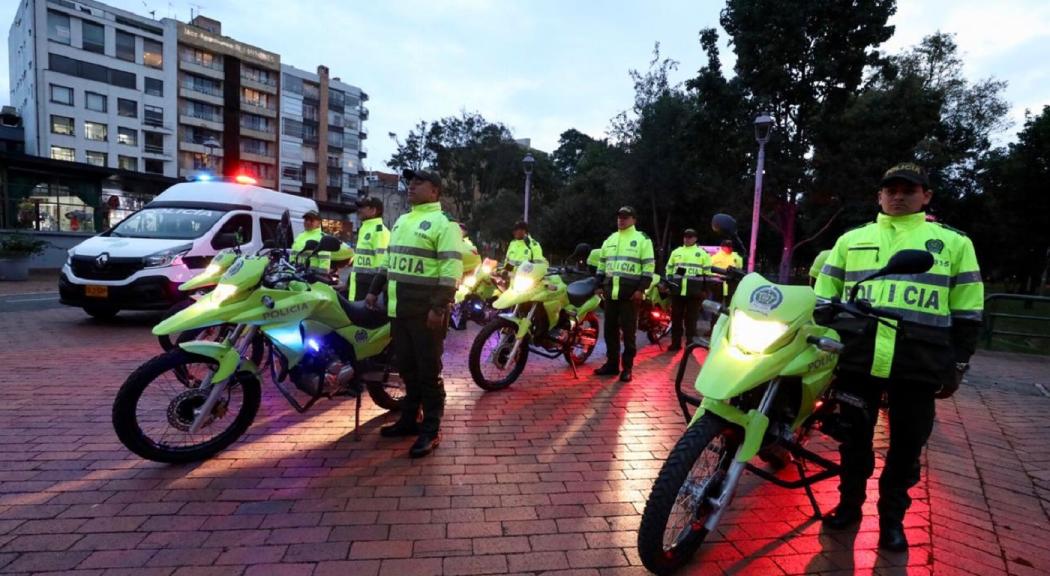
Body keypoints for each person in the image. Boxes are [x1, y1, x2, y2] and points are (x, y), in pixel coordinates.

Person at [814, 162, 983, 551]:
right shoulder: (851, 239)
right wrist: (827, 313)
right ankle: (849, 506)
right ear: (879, 196)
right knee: (853, 442)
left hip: (917, 363)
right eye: (891, 189)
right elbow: (826, 289)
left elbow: (968, 309)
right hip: (859, 358)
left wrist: (958, 363)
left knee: (907, 448)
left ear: (926, 196)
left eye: (909, 189)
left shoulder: (954, 243)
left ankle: (892, 520)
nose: (898, 196)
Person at [365, 169, 463, 458]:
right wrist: (374, 289)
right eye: (410, 181)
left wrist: (439, 306)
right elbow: (388, 261)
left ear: (435, 191)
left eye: (419, 182)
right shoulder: (403, 221)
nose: (411, 186)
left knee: (428, 372)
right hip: (399, 309)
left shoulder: (444, 224)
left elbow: (450, 270)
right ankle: (409, 419)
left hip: (426, 313)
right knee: (406, 368)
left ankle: (431, 429)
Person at [593, 206, 655, 382]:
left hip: (630, 296)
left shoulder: (642, 239)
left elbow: (648, 267)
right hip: (610, 295)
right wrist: (598, 284)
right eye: (619, 217)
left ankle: (627, 368)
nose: (621, 220)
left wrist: (641, 289)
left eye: (626, 217)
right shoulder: (610, 239)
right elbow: (602, 265)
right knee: (609, 332)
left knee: (628, 334)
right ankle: (612, 365)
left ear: (634, 220)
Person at [665, 228, 712, 352]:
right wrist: (669, 285)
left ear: (695, 238)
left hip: (694, 293)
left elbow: (707, 274)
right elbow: (669, 270)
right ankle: (675, 344)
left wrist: (705, 291)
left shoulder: (702, 254)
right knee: (676, 319)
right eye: (685, 236)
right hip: (677, 292)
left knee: (691, 321)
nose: (687, 238)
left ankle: (690, 345)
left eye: (690, 237)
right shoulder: (676, 252)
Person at [348, 198, 390, 301]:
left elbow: (382, 265)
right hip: (359, 285)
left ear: (373, 210)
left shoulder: (379, 231)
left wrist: (374, 291)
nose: (359, 210)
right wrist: (348, 283)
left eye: (363, 207)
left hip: (368, 289)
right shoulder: (366, 229)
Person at [292, 210, 352, 275]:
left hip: (311, 277)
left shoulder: (321, 237)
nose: (308, 222)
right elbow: (293, 254)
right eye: (306, 220)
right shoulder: (300, 236)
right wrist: (290, 268)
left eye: (311, 220)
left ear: (318, 223)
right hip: (298, 273)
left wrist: (321, 275)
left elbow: (325, 259)